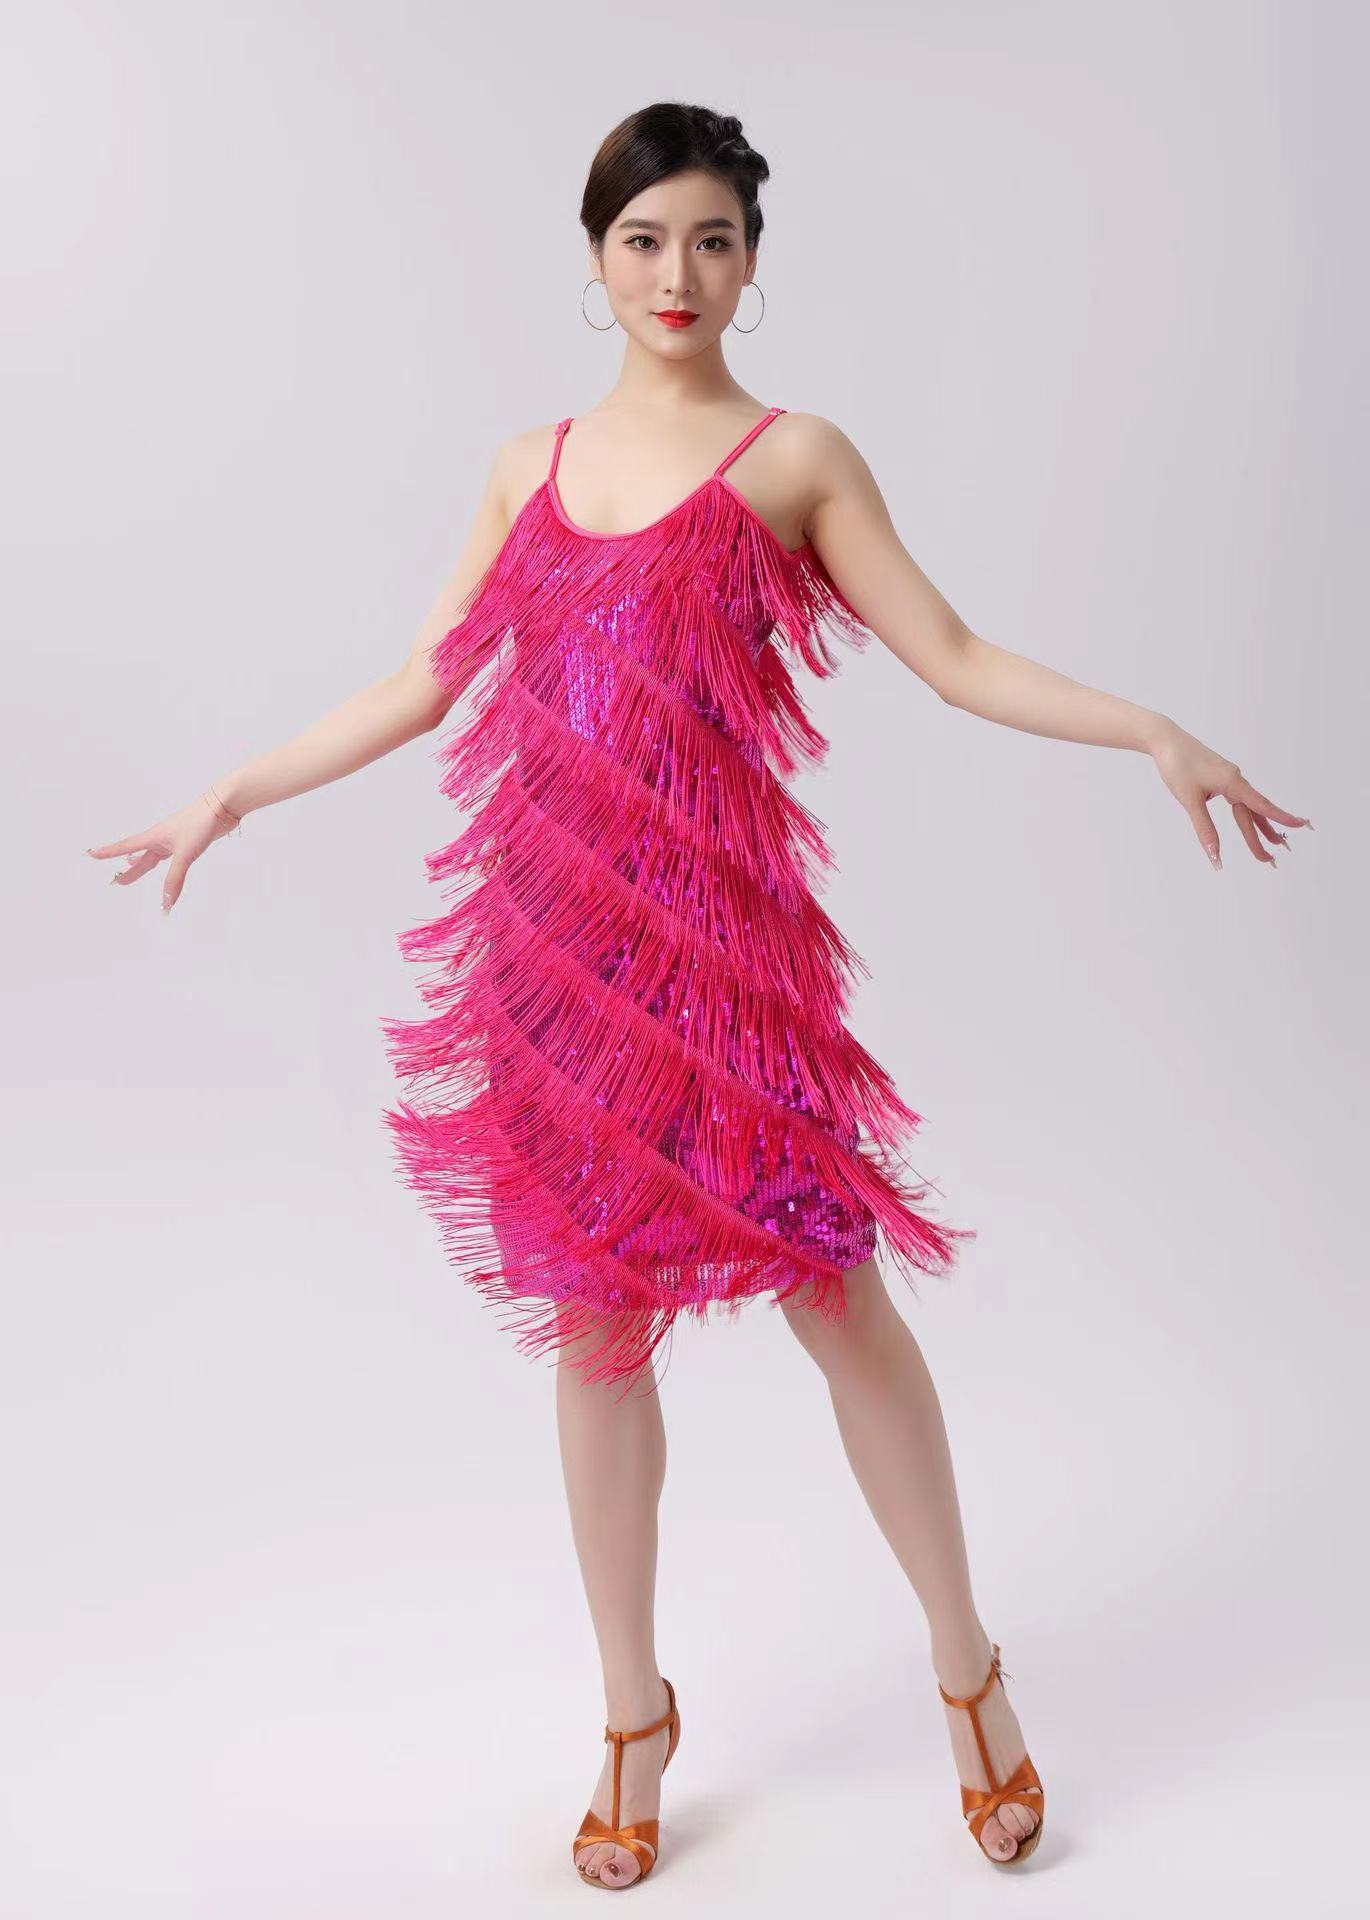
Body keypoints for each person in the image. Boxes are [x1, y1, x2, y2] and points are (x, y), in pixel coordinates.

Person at [86, 101, 1310, 1890]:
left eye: (712, 240)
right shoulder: (527, 465)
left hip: (725, 977)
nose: (678, 273)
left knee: (837, 1300)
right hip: (558, 965)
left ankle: (965, 1670)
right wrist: (234, 791)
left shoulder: (791, 459)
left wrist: (1149, 729)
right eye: (644, 239)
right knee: (595, 1335)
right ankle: (631, 1716)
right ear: (596, 260)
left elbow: (953, 654)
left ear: (751, 262)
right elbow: (424, 683)